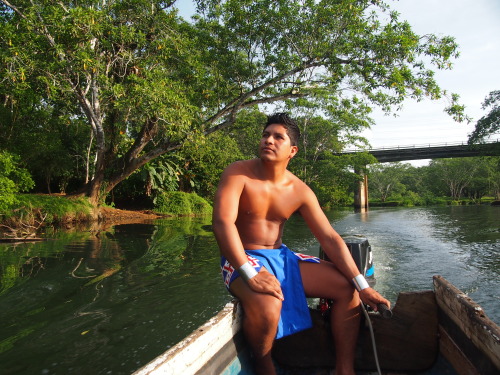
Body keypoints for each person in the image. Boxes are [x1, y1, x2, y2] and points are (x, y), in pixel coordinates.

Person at [212, 113, 390, 375]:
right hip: (239, 256)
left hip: (280, 256)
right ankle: (264, 368)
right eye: (265, 135)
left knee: (346, 287)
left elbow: (329, 237)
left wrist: (362, 285)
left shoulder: (299, 190)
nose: (268, 140)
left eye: (277, 137)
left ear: (292, 150)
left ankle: (344, 369)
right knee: (269, 302)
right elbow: (222, 223)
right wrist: (249, 273)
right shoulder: (238, 172)